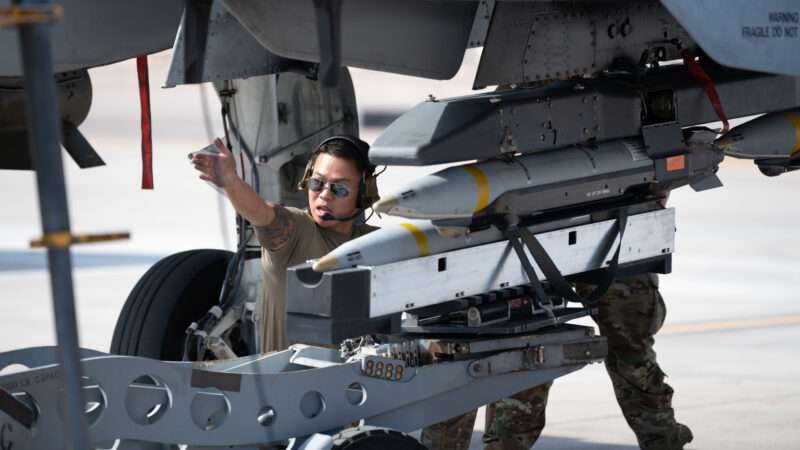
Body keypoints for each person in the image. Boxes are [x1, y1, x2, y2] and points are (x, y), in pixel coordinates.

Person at [422, 274, 693, 450]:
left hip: (609, 231)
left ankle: (663, 439)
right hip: (492, 242)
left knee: (627, 348)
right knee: (466, 350)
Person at [191, 135, 378, 352]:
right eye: (317, 183)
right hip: (288, 383)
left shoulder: (374, 243)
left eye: (340, 189)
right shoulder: (297, 230)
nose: (324, 195)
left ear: (364, 194)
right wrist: (231, 181)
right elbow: (262, 213)